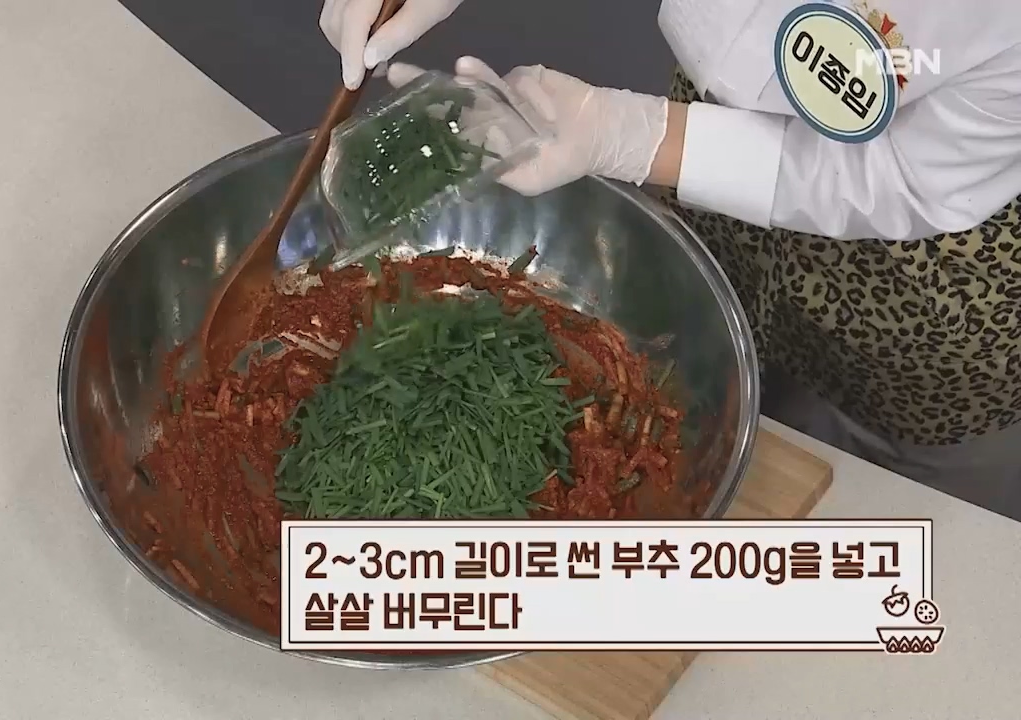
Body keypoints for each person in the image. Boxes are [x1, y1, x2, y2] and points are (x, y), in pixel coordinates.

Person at [319, 0, 1021, 517]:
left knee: (901, 484)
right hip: (718, 168)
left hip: (935, 289)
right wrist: (674, 143)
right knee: (724, 368)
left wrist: (634, 134)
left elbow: (905, 178)